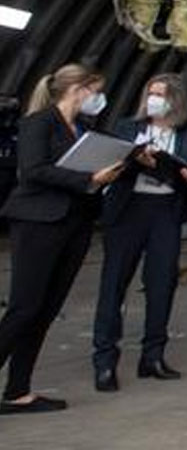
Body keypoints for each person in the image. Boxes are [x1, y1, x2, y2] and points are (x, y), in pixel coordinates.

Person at [0, 64, 123, 415]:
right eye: (96, 90)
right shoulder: (38, 123)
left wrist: (110, 173)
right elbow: (34, 170)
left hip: (75, 224)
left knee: (45, 311)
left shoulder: (84, 129)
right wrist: (88, 179)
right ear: (78, 89)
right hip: (38, 222)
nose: (99, 98)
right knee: (24, 308)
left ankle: (17, 391)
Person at [92, 74, 187, 392]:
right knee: (113, 284)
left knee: (161, 283)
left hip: (166, 212)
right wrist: (134, 161)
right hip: (129, 210)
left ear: (176, 101)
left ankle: (152, 357)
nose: (154, 99)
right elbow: (111, 164)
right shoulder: (128, 128)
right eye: (151, 93)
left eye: (162, 95)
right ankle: (104, 362)